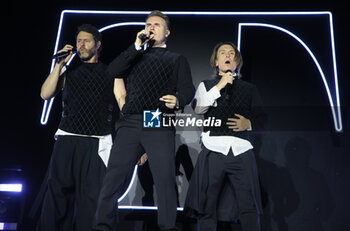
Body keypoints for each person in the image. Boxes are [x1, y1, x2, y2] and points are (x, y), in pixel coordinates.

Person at [93, 10, 195, 231]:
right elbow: (111, 71)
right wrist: (136, 46)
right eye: (148, 24)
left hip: (156, 118)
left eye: (157, 25)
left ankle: (167, 227)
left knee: (164, 179)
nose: (151, 27)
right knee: (113, 178)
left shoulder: (176, 59)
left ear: (167, 32)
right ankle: (101, 226)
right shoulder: (135, 54)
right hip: (130, 120)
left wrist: (178, 100)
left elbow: (188, 90)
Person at [37, 24, 125, 231]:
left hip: (97, 143)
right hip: (67, 140)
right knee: (58, 196)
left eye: (86, 41)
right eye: (78, 41)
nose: (81, 45)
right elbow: (45, 94)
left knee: (93, 201)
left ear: (98, 44)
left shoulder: (111, 72)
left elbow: (123, 101)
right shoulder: (68, 71)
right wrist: (59, 65)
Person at [184, 42, 267, 231]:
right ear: (216, 61)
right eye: (223, 53)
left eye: (231, 53)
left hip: (241, 150)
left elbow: (263, 118)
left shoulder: (249, 89)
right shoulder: (207, 85)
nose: (227, 55)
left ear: (237, 62)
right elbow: (199, 108)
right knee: (207, 204)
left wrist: (249, 123)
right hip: (214, 149)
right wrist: (220, 85)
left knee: (248, 204)